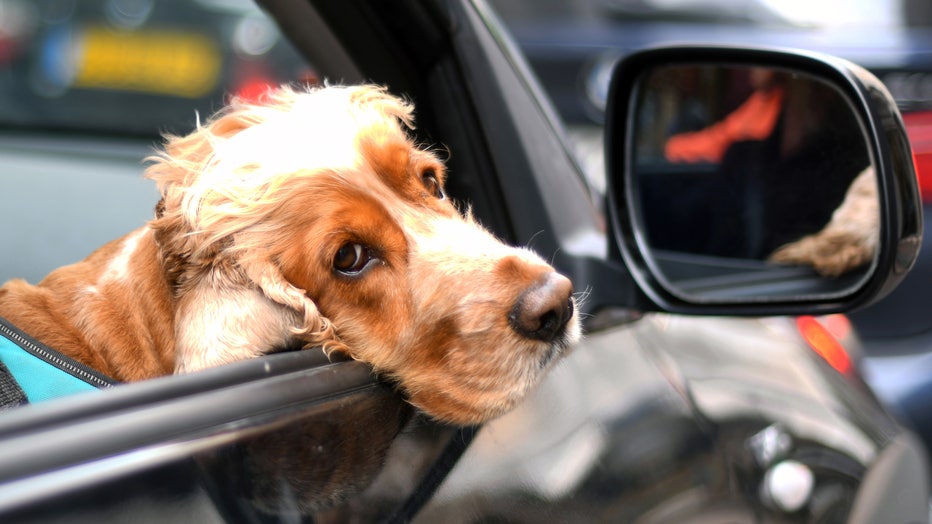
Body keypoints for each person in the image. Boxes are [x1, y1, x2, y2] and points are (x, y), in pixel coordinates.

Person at [664, 68, 784, 164]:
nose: (752, 69)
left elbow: (721, 144)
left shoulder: (779, 105)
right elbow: (723, 133)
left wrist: (674, 147)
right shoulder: (760, 98)